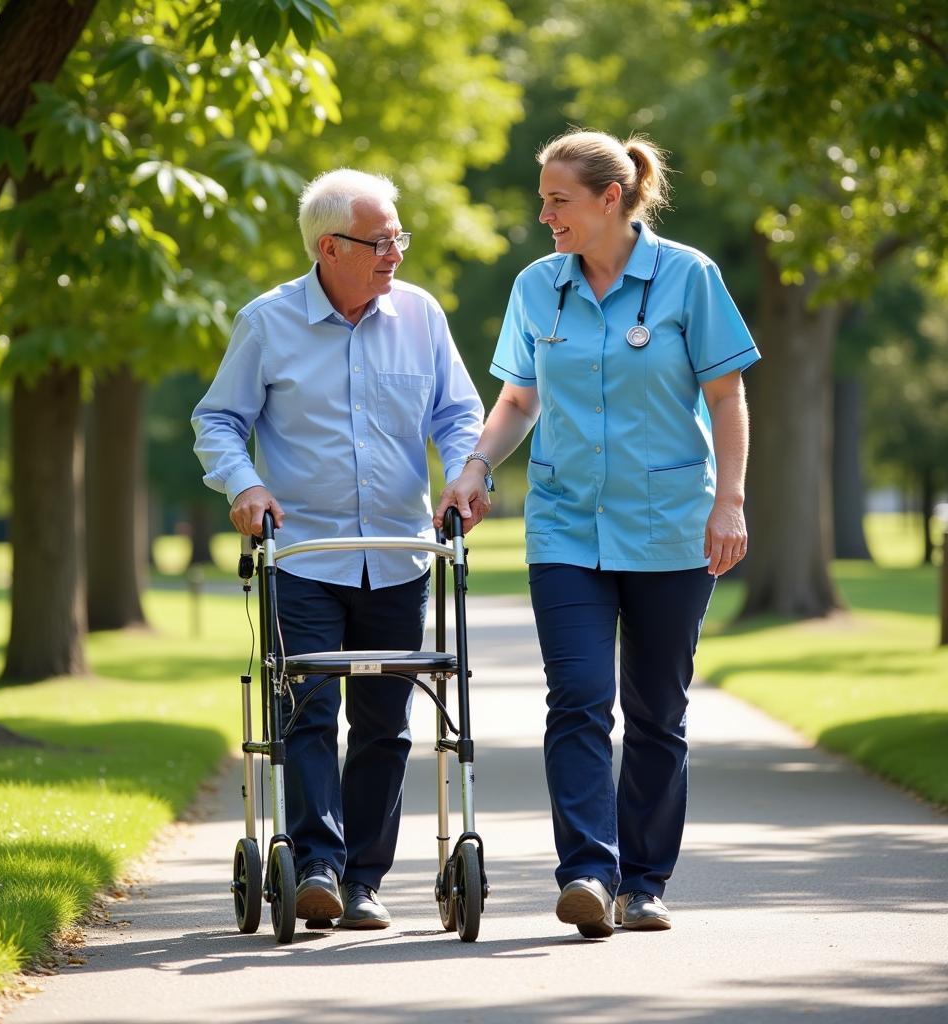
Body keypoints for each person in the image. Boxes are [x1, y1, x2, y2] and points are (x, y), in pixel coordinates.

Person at [436, 129, 760, 938]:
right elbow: (517, 399)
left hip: (669, 528)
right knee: (578, 699)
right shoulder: (537, 287)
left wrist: (731, 502)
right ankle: (587, 871)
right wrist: (476, 465)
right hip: (565, 526)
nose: (545, 214)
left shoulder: (689, 276)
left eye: (558, 200)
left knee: (657, 710)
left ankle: (644, 882)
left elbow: (725, 398)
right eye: (544, 199)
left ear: (610, 198)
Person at [193, 169, 484, 930]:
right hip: (304, 558)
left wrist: (463, 475)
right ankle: (317, 864)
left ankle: (364, 881)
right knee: (309, 713)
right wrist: (244, 487)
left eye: (399, 238)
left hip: (397, 555)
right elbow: (218, 419)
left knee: (386, 724)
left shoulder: (422, 317)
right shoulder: (267, 321)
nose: (396, 252)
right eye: (381, 241)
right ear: (330, 248)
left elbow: (458, 413)